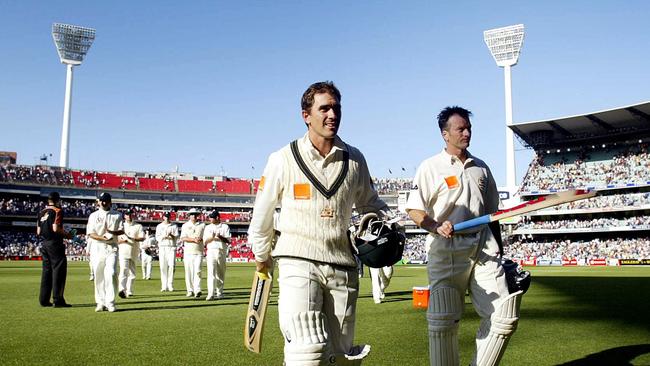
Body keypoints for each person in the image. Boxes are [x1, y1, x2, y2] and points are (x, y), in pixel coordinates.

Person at [248, 81, 388, 365]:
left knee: (340, 355)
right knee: (306, 350)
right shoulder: (283, 159)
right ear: (306, 115)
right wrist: (262, 255)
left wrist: (375, 226)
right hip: (297, 260)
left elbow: (372, 205)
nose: (332, 115)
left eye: (336, 108)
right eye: (324, 108)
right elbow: (262, 214)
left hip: (343, 266)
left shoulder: (355, 159)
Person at [405, 106, 521, 366]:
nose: (467, 132)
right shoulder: (430, 167)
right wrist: (435, 225)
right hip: (446, 247)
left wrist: (500, 252)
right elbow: (414, 209)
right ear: (445, 134)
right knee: (444, 321)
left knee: (504, 316)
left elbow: (493, 215)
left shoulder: (481, 168)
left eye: (468, 127)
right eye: (461, 128)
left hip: (483, 245)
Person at [86, 192, 124, 312]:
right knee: (98, 275)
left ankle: (110, 302)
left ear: (110, 202)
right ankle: (100, 302)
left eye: (105, 201)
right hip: (97, 247)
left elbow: (121, 231)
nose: (103, 203)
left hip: (111, 247)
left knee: (111, 273)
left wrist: (112, 232)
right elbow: (91, 233)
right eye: (101, 200)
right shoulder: (93, 215)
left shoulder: (117, 215)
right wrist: (102, 238)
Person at [36, 191, 73, 308]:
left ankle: (43, 299)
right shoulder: (57, 211)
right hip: (55, 244)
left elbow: (38, 231)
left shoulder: (41, 212)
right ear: (57, 200)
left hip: (44, 244)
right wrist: (67, 235)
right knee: (59, 271)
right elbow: (55, 228)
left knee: (46, 272)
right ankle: (58, 300)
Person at [203, 210, 230, 300]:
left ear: (217, 217)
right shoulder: (208, 227)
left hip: (221, 251)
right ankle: (210, 293)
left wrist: (220, 236)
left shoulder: (225, 227)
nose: (210, 219)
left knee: (220, 273)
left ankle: (219, 292)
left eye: (212, 217)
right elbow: (205, 242)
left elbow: (228, 240)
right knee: (211, 273)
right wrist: (212, 237)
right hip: (211, 250)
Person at [117, 210, 144, 298]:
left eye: (130, 214)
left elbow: (142, 237)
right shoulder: (120, 226)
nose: (129, 216)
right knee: (123, 270)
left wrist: (132, 238)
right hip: (123, 251)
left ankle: (129, 290)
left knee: (132, 273)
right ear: (124, 216)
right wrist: (122, 241)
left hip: (133, 251)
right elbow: (115, 240)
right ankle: (122, 289)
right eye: (127, 214)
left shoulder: (138, 226)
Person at [180, 208, 205, 298]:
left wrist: (200, 239)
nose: (193, 216)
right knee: (189, 272)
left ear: (197, 215)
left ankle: (197, 289)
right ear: (189, 215)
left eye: (195, 214)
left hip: (199, 251)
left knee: (198, 271)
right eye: (192, 214)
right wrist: (193, 239)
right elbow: (183, 238)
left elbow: (205, 237)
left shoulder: (202, 225)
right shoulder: (185, 225)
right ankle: (190, 290)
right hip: (188, 252)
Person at [156, 212, 178, 292]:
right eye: (165, 216)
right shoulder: (159, 226)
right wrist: (164, 236)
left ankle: (170, 284)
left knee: (171, 266)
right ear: (163, 217)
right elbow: (157, 237)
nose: (167, 218)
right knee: (163, 266)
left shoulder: (174, 226)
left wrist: (171, 235)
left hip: (171, 247)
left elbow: (176, 237)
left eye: (168, 216)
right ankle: (164, 285)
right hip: (162, 247)